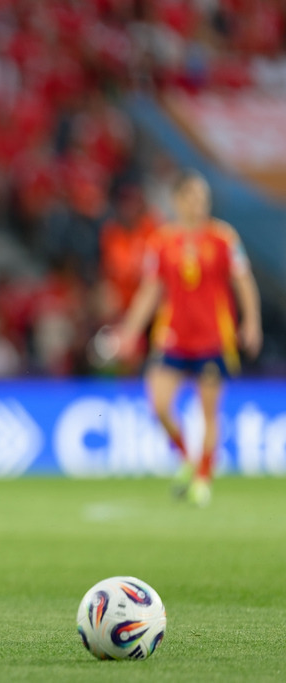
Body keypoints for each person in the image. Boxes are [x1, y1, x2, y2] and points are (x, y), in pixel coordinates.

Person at [115, 171, 261, 507]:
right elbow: (150, 291)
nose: (200, 203)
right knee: (160, 405)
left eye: (203, 196)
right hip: (173, 337)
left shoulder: (223, 237)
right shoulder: (163, 242)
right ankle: (186, 456)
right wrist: (130, 331)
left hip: (213, 338)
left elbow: (243, 281)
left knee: (209, 411)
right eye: (193, 196)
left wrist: (251, 322)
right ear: (178, 200)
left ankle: (203, 479)